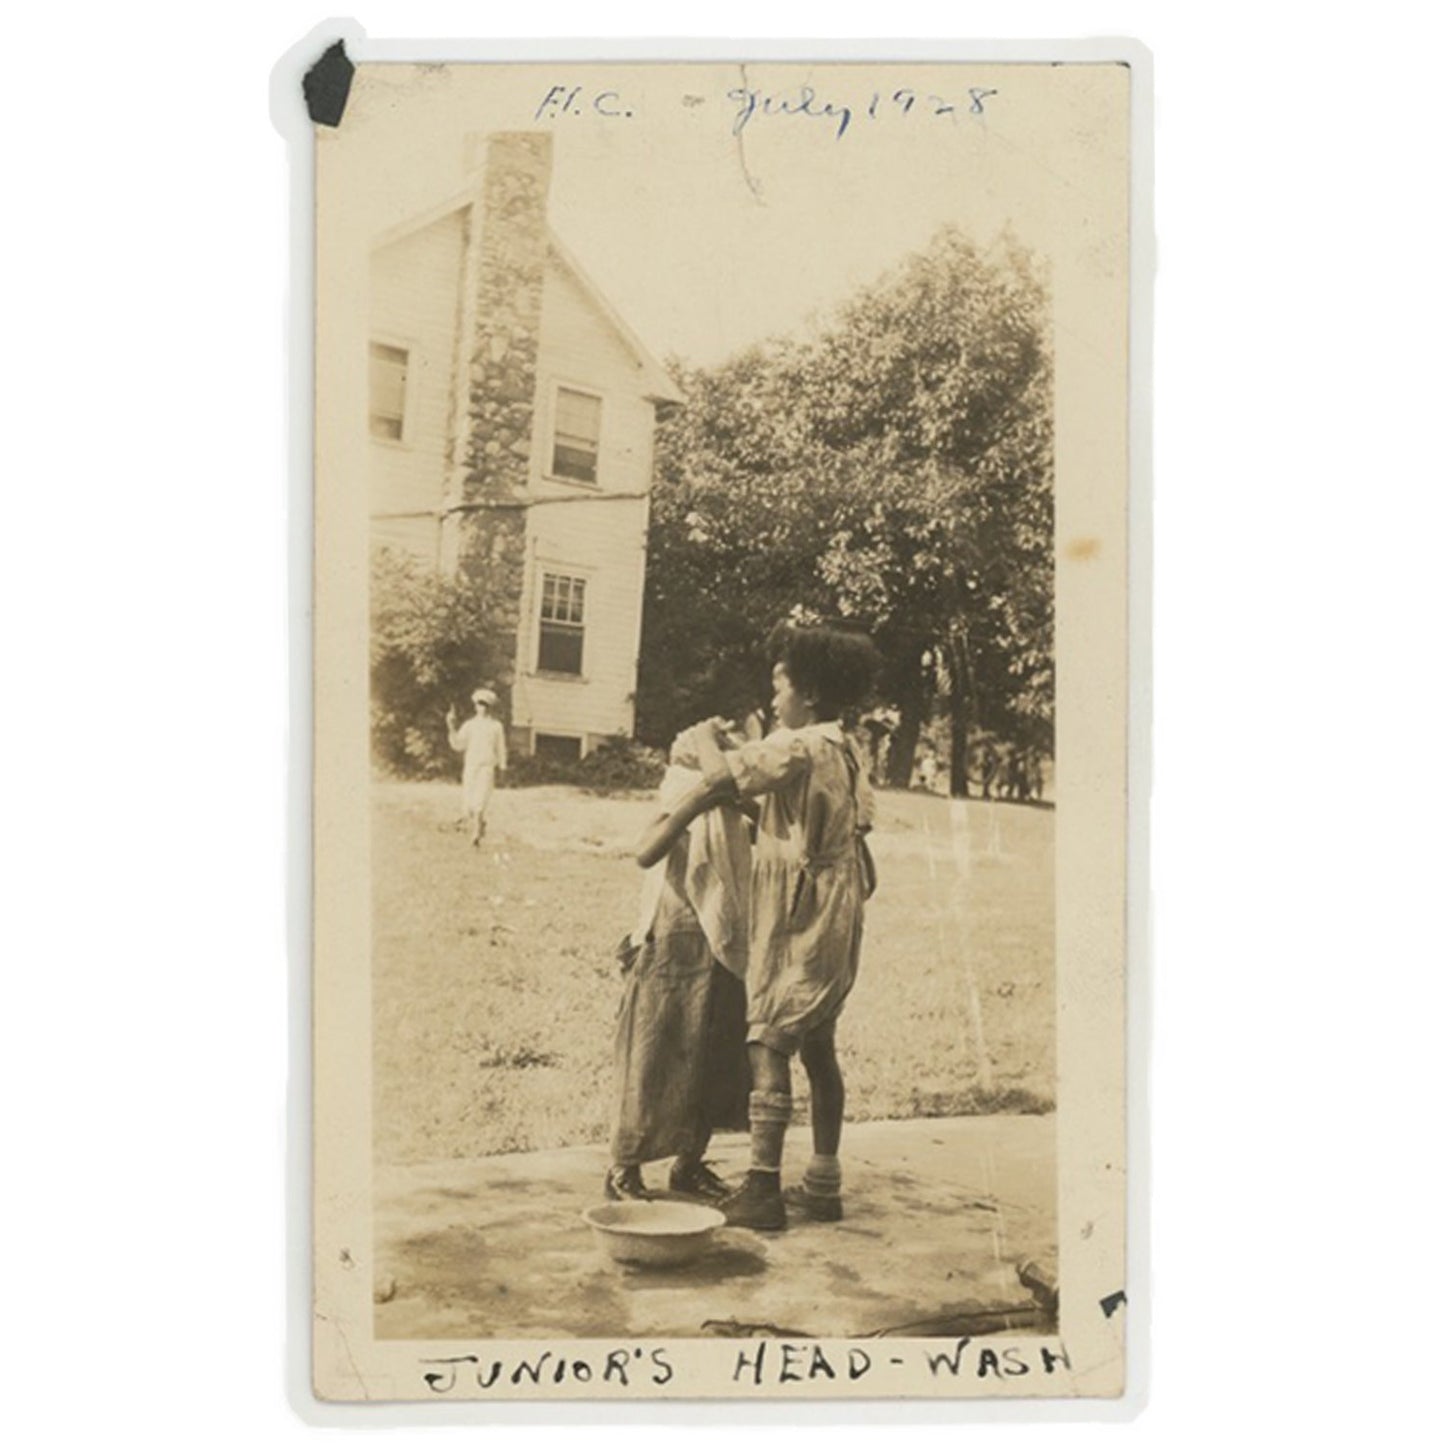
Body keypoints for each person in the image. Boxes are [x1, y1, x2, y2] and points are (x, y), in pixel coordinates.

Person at [648, 622, 880, 1230]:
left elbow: (723, 775)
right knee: (820, 1044)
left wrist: (701, 740)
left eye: (779, 690)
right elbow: (826, 821)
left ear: (807, 695)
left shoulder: (796, 745)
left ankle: (762, 1188)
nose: (773, 702)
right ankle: (823, 1182)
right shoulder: (848, 751)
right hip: (840, 906)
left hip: (800, 909)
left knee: (768, 1037)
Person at [607, 725, 754, 1203]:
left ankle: (689, 1163)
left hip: (721, 943)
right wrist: (699, 798)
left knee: (712, 1060)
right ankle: (624, 1169)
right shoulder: (679, 793)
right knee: (653, 1060)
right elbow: (646, 852)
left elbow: (753, 803)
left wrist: (723, 791)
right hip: (671, 942)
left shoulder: (734, 806)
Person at [445, 687, 507, 846]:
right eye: (479, 704)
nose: (482, 708)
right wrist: (451, 726)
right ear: (475, 706)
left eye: (485, 704)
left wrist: (502, 768)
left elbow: (501, 748)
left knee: (480, 800)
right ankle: (480, 825)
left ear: (490, 707)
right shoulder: (470, 725)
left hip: (486, 768)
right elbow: (458, 744)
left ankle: (476, 834)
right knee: (469, 803)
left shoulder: (496, 726)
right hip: (471, 767)